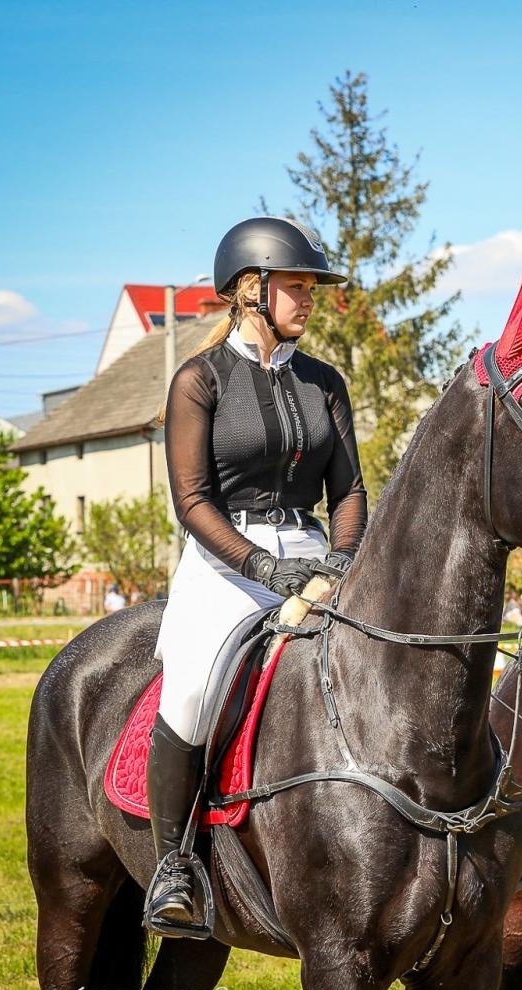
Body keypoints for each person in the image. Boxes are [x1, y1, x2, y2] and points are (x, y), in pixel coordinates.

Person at [145, 216, 366, 936]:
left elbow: (351, 489)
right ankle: (173, 867)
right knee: (193, 687)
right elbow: (192, 500)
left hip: (315, 556)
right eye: (296, 287)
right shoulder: (199, 379)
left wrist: (340, 557)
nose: (309, 300)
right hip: (224, 563)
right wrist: (260, 563)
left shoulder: (323, 381)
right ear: (250, 290)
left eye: (311, 289)